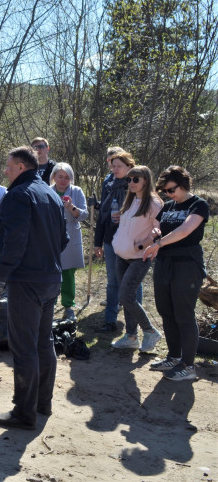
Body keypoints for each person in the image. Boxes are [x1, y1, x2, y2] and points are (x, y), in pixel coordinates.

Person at [0, 146, 67, 431]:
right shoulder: (50, 194)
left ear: (21, 167)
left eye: (8, 167)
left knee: (24, 347)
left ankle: (24, 413)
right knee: (43, 342)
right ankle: (41, 403)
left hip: (27, 281)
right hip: (50, 279)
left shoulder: (18, 196)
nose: (5, 172)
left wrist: (0, 277)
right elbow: (64, 239)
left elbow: (15, 242)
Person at [143, 166, 208, 381]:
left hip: (186, 265)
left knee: (184, 315)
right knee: (166, 311)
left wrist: (159, 242)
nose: (169, 195)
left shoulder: (198, 205)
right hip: (164, 263)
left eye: (171, 190)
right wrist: (155, 233)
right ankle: (173, 356)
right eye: (166, 192)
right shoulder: (169, 206)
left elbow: (185, 230)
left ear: (183, 185)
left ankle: (188, 366)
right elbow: (157, 226)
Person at [108, 165, 163, 352]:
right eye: (129, 180)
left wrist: (141, 245)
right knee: (126, 298)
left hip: (140, 257)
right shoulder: (130, 200)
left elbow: (158, 231)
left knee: (126, 295)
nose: (131, 183)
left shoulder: (155, 203)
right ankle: (131, 336)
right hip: (121, 256)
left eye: (135, 179)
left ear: (145, 180)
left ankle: (150, 331)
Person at [94, 151, 142, 332]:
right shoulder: (109, 185)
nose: (115, 169)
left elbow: (146, 216)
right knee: (113, 282)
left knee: (133, 282)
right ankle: (110, 320)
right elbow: (102, 217)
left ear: (130, 167)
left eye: (119, 166)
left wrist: (126, 218)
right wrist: (98, 243)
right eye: (113, 165)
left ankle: (137, 323)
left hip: (133, 241)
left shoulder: (137, 186)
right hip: (110, 239)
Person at [48, 162, 88, 321]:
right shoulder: (47, 191)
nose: (63, 180)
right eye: (60, 177)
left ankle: (68, 304)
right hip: (51, 235)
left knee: (68, 272)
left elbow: (84, 215)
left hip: (71, 234)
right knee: (50, 271)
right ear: (54, 177)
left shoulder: (76, 191)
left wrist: (71, 207)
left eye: (67, 177)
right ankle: (49, 303)